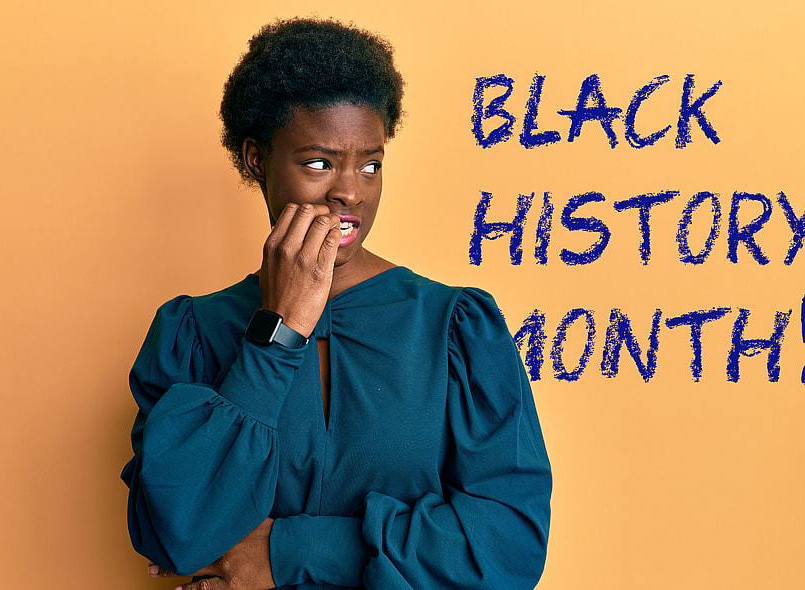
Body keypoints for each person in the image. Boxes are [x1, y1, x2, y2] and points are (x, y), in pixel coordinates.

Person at [122, 17, 551, 590]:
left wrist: (284, 551)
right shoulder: (192, 333)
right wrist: (278, 332)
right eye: (319, 163)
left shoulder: (456, 327)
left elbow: (509, 546)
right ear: (256, 159)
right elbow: (174, 533)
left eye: (370, 165)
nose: (350, 191)